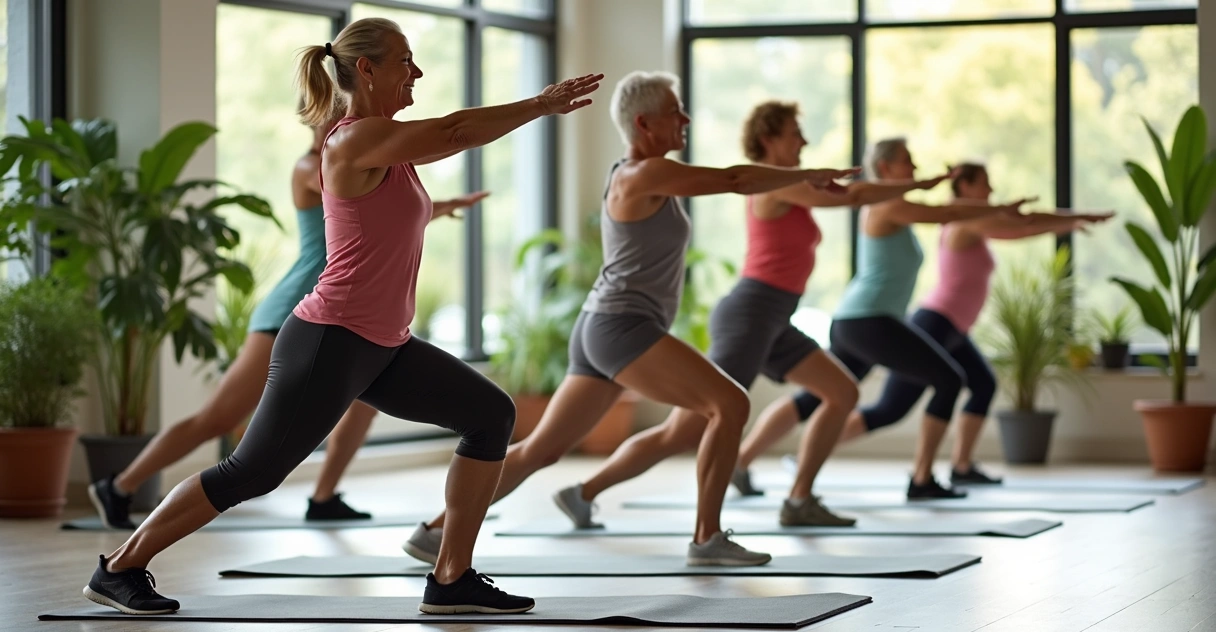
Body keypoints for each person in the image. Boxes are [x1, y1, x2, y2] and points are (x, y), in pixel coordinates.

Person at [81, 17, 602, 616]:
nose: (419, 72)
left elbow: (382, 216)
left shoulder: (389, 145)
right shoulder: (353, 139)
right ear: (368, 69)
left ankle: (451, 577)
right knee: (251, 472)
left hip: (383, 342)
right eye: (407, 60)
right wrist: (539, 103)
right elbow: (457, 129)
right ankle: (120, 567)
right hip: (331, 338)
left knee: (490, 416)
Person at [402, 73, 858, 568]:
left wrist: (799, 176)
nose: (685, 119)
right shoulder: (641, 174)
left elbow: (736, 180)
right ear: (644, 123)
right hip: (621, 327)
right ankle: (707, 538)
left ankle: (433, 532)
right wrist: (804, 173)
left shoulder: (647, 173)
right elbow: (734, 179)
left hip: (604, 326)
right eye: (675, 112)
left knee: (541, 451)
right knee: (729, 403)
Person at [550, 101, 954, 530]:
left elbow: (852, 194)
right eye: (795, 132)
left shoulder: (789, 183)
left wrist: (913, 185)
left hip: (776, 317)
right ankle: (584, 492)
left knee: (841, 393)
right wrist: (919, 184)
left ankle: (799, 500)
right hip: (749, 314)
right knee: (683, 431)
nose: (804, 140)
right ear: (769, 139)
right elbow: (853, 196)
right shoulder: (772, 185)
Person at [86, 109, 485, 530]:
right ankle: (120, 485)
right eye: (328, 119)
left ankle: (324, 495)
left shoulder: (361, 163)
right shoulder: (312, 166)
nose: (336, 126)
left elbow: (387, 206)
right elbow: (351, 186)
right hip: (294, 312)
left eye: (343, 118)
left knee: (364, 409)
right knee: (220, 417)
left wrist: (439, 206)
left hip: (348, 320)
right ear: (314, 123)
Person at [742, 163, 1113, 490]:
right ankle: (912, 476)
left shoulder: (950, 219)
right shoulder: (925, 214)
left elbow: (1017, 228)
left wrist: (1072, 221)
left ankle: (959, 466)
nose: (991, 190)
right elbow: (1010, 221)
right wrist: (1071, 217)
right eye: (983, 183)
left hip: (904, 323)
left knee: (976, 384)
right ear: (963, 186)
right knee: (896, 404)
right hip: (897, 320)